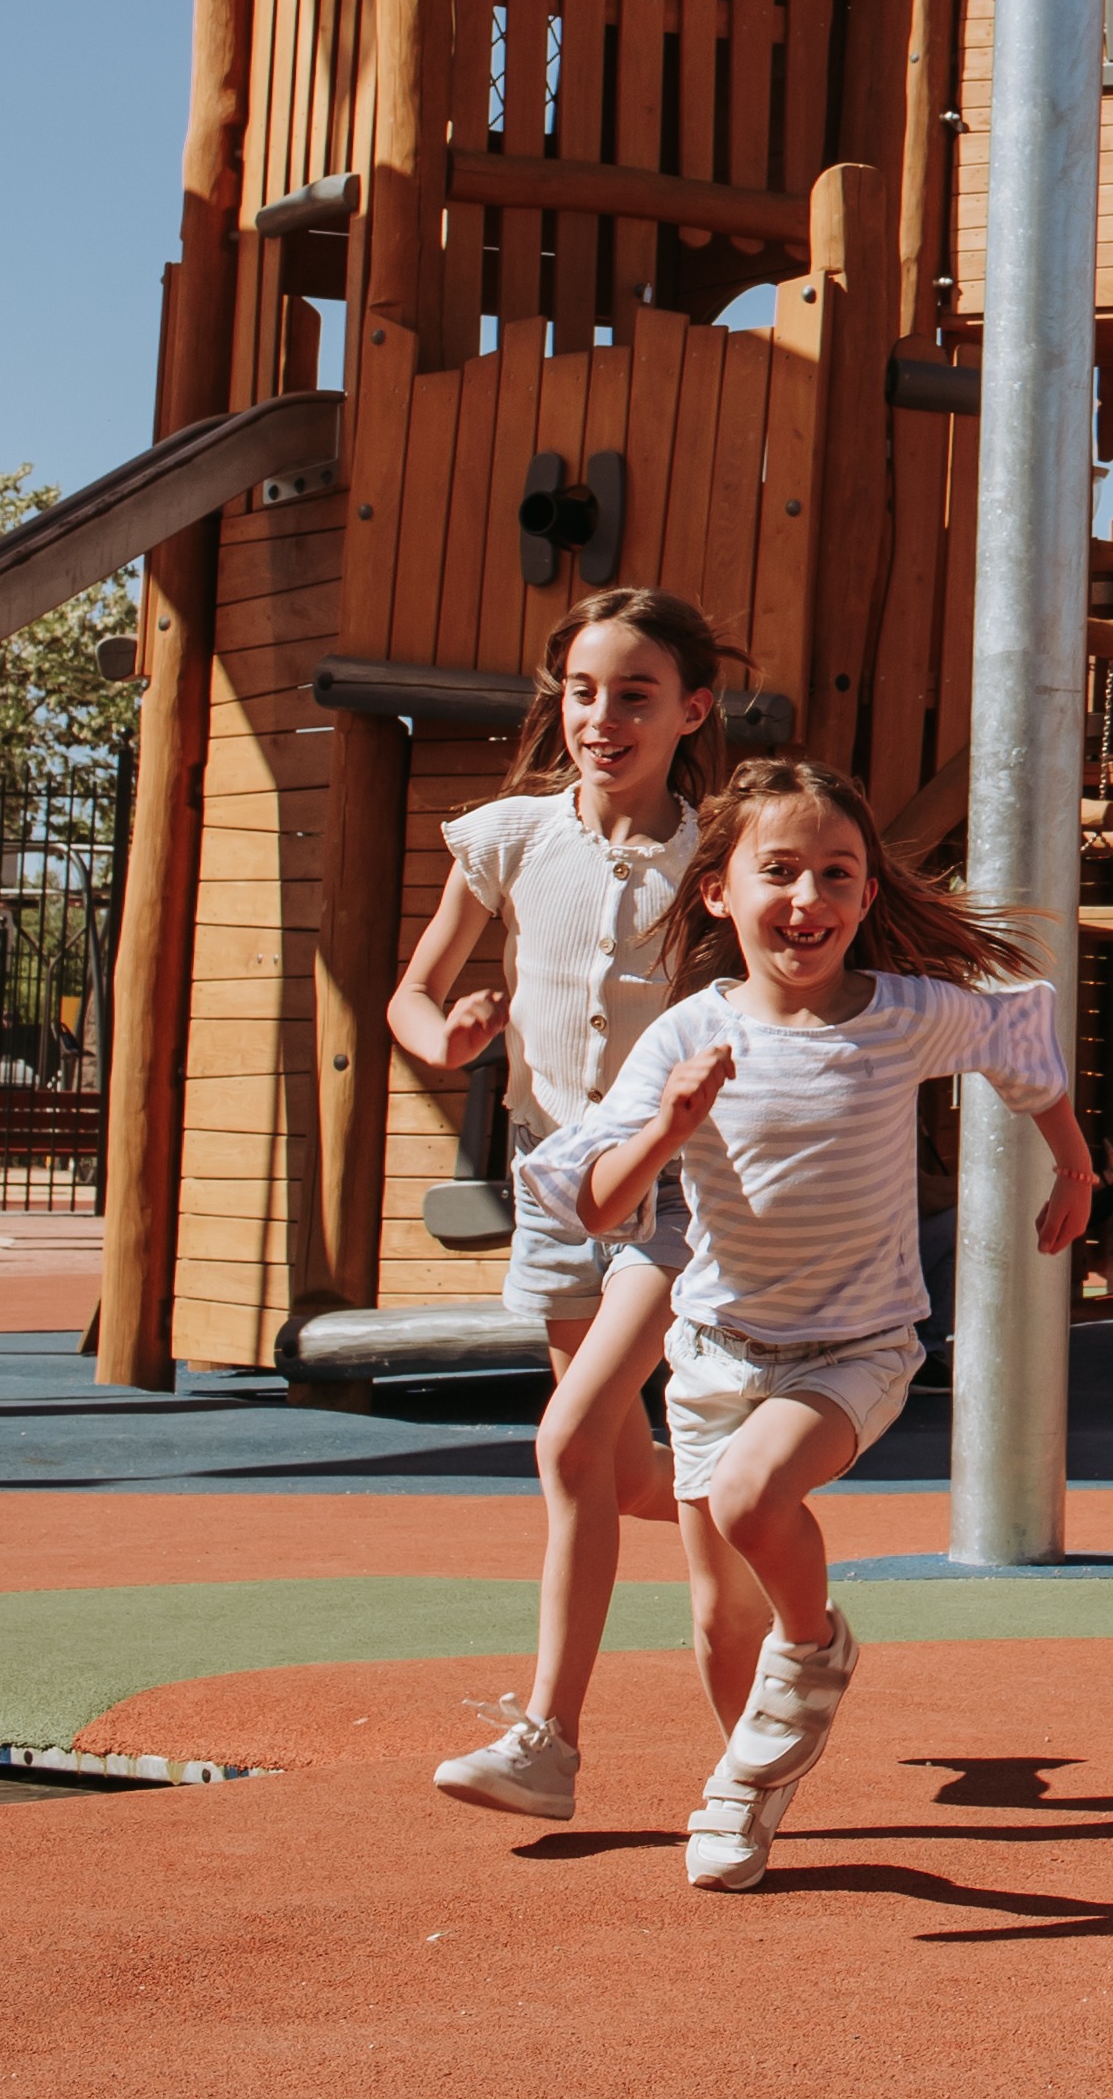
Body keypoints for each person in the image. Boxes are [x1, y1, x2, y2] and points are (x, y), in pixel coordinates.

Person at [519, 758, 1089, 1891]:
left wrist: (1072, 1163)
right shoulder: (686, 1036)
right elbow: (591, 1199)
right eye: (778, 870)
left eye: (837, 874)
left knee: (751, 1499)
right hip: (719, 1349)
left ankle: (819, 1642)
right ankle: (748, 1787)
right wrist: (672, 1122)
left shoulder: (905, 1016)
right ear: (719, 890)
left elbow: (1019, 1047)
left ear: (869, 897)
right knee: (721, 1612)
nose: (808, 898)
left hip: (858, 1347)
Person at [406, 588, 730, 1822]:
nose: (602, 716)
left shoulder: (713, 855)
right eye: (583, 690)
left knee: (569, 1445)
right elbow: (417, 989)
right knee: (620, 1462)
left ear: (691, 709)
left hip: (675, 1191)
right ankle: (757, 1530)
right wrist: (446, 1034)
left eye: (636, 693)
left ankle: (548, 1736)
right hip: (555, 1182)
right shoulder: (508, 838)